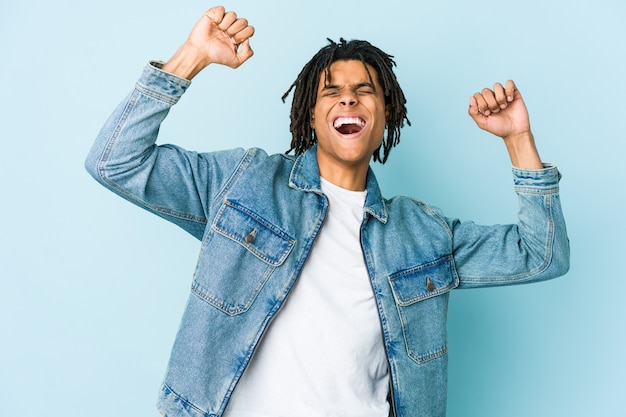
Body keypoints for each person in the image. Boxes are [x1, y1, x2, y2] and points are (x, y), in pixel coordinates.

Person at [85, 6, 569, 417]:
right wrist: (191, 58)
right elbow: (115, 161)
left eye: (365, 89)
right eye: (331, 91)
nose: (349, 98)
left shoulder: (422, 233)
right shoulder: (243, 182)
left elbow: (541, 255)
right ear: (311, 115)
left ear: (386, 117)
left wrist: (518, 139)